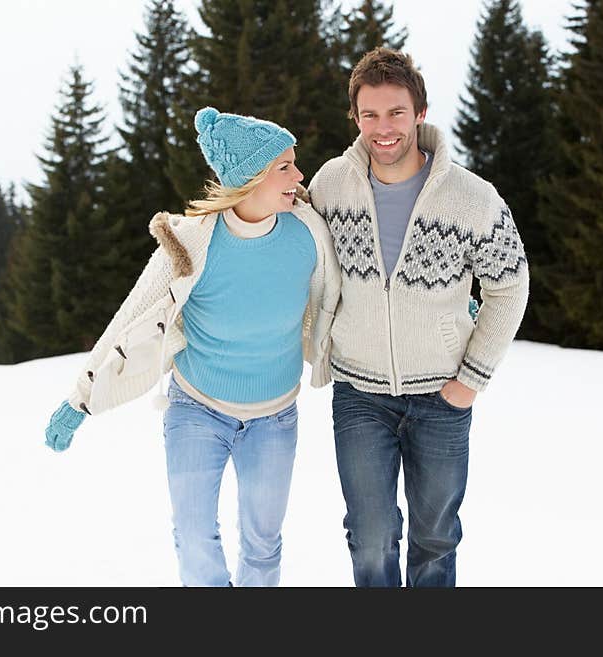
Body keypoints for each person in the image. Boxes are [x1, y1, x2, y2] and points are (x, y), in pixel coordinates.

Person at [44, 107, 341, 587]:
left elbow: (351, 297)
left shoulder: (309, 234)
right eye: (284, 166)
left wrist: (448, 311)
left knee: (263, 544)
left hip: (275, 416)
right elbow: (131, 316)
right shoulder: (191, 244)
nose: (299, 175)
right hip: (196, 409)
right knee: (196, 535)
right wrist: (80, 400)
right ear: (250, 178)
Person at [307, 47, 529, 587]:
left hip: (442, 399)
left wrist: (469, 382)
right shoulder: (331, 185)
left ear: (420, 113)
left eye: (396, 113)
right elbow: (291, 249)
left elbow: (510, 286)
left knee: (436, 538)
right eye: (370, 115)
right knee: (370, 535)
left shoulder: (472, 197)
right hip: (360, 395)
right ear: (356, 118)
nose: (383, 128)